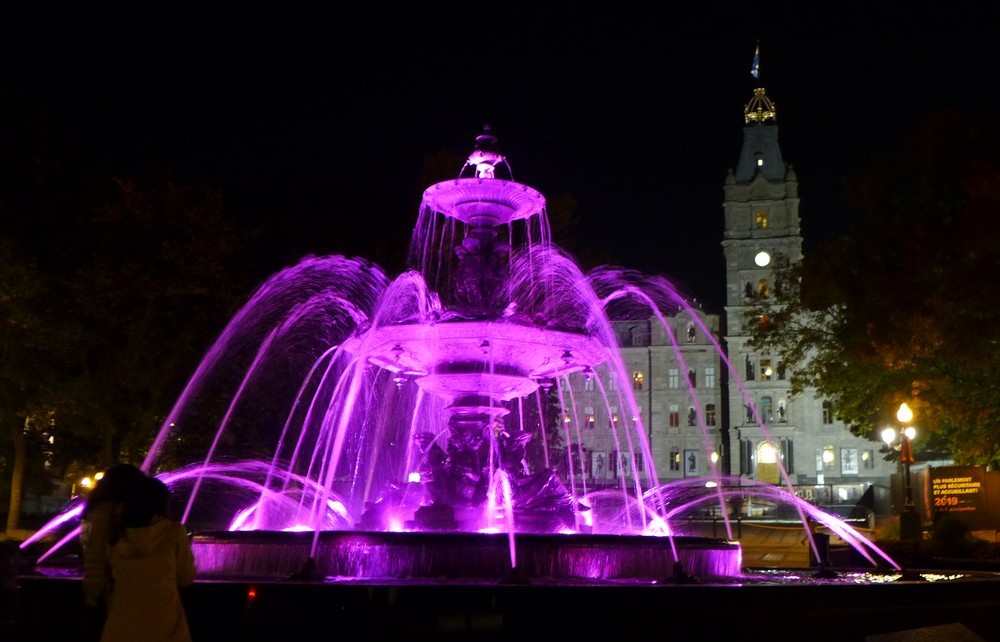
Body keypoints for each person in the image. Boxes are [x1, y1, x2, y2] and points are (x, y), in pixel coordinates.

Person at [100, 474, 196, 642]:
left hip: (122, 622)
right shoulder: (173, 531)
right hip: (165, 622)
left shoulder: (115, 535)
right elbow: (186, 578)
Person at [80, 463, 148, 640]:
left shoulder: (94, 509)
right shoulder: (115, 513)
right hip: (109, 589)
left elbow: (89, 549)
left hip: (93, 586)